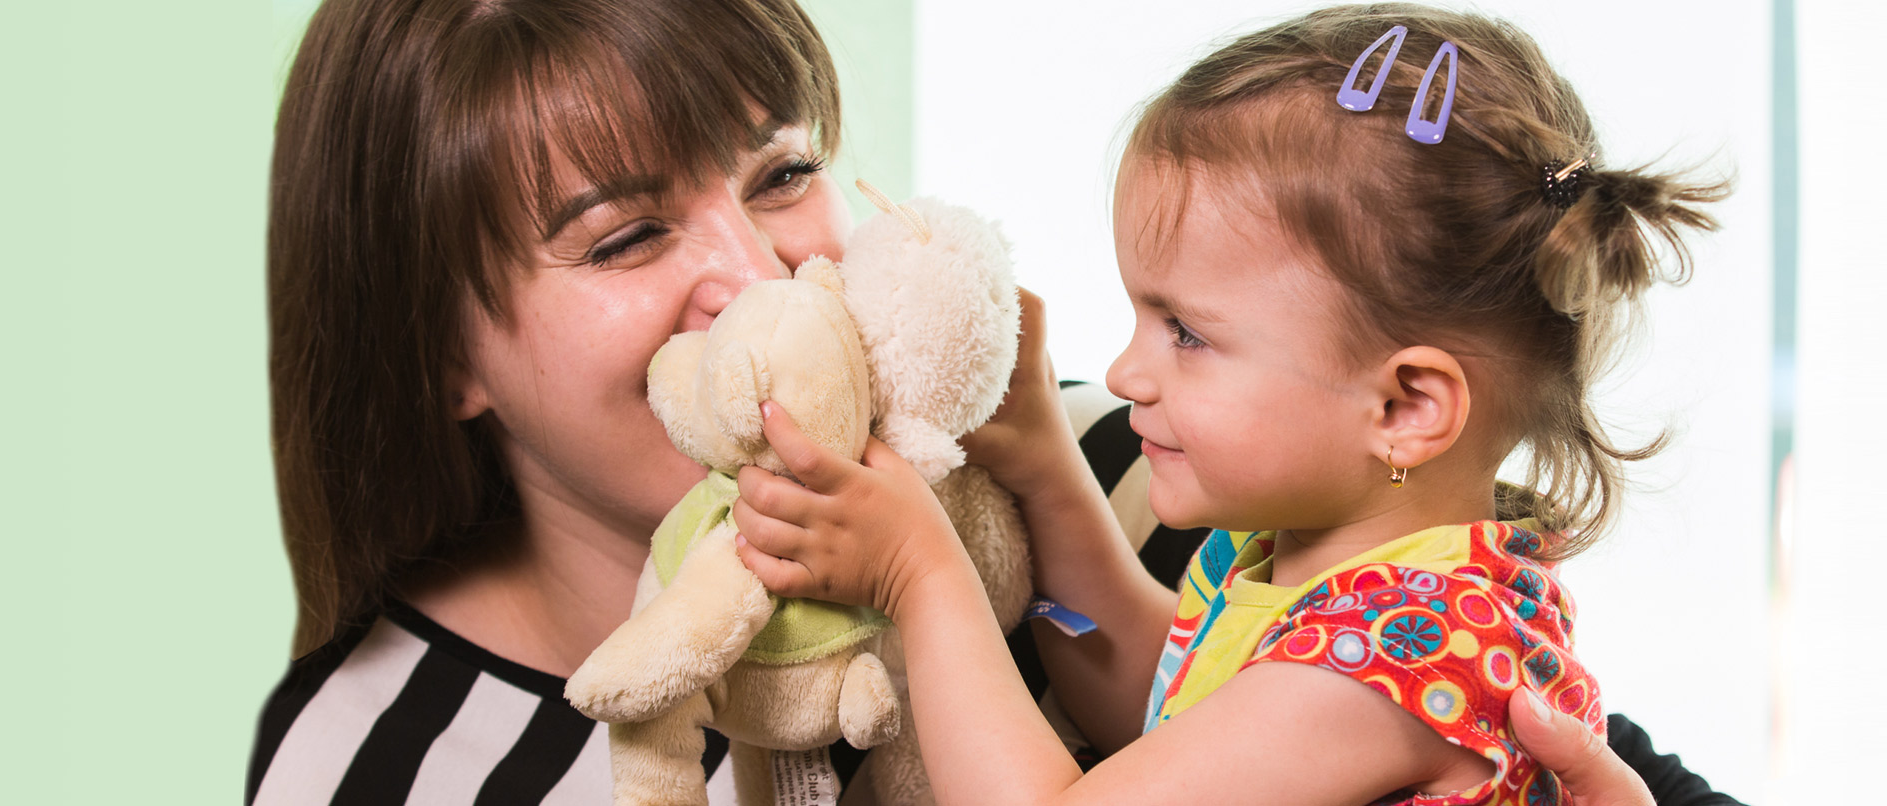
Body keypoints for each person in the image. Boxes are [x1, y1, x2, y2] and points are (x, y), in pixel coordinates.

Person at [248, 0, 1736, 803]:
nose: (758, 264)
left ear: (1410, 406)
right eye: (626, 236)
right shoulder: (381, 757)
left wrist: (957, 537)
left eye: (782, 173)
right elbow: (1162, 680)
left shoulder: (1180, 471)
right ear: (434, 347)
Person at [730, 4, 1737, 805]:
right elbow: (1159, 710)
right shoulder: (1330, 568)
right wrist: (1044, 458)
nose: (1126, 373)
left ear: (1406, 405)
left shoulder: (1390, 663)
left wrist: (921, 570)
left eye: (1188, 333)